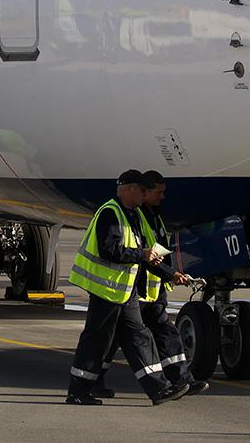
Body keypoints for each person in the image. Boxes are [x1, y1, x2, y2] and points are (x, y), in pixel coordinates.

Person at [66, 170, 190, 406]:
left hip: (124, 291)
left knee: (139, 336)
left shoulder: (132, 215)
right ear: (129, 189)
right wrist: (140, 254)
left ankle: (159, 389)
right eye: (142, 191)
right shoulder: (111, 213)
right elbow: (109, 250)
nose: (146, 196)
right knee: (96, 341)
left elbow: (147, 257)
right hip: (105, 290)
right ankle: (78, 391)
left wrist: (171, 274)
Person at [93, 170, 209, 398]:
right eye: (158, 192)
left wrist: (171, 273)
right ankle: (94, 380)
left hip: (152, 288)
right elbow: (140, 253)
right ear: (142, 192)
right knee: (116, 337)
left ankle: (180, 379)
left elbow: (156, 251)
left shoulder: (153, 215)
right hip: (135, 287)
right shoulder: (131, 216)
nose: (162, 197)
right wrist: (169, 273)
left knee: (164, 333)